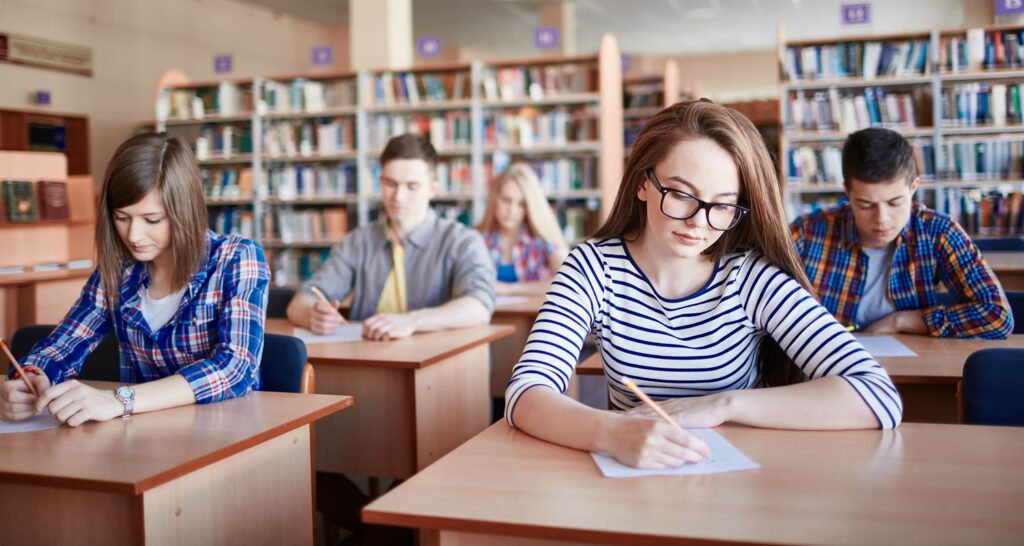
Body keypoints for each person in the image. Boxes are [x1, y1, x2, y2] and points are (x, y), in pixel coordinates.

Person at [505, 100, 903, 470]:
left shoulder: (751, 278)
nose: (699, 221)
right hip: (632, 476)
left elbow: (877, 396)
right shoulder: (592, 268)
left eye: (723, 204)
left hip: (735, 481)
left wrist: (722, 405)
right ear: (644, 184)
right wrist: (612, 432)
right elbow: (526, 392)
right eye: (681, 194)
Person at [0, 133, 270, 425]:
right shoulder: (118, 268)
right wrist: (31, 377)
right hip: (140, 435)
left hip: (225, 432)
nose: (134, 236)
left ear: (185, 211)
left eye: (151, 219)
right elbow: (67, 342)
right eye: (122, 217)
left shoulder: (238, 257)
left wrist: (119, 400)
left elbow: (235, 368)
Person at [790, 127, 1013, 339]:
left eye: (895, 202)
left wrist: (900, 321)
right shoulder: (807, 232)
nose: (882, 218)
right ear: (847, 192)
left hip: (909, 369)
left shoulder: (938, 232)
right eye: (866, 205)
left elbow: (997, 316)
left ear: (913, 187)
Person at [286, 133, 495, 340]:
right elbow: (300, 302)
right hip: (369, 359)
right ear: (380, 181)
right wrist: (313, 315)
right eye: (390, 184)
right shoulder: (358, 241)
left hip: (437, 363)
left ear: (432, 189)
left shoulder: (463, 241)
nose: (398, 196)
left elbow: (479, 306)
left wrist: (412, 321)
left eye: (411, 186)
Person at [477, 163, 569, 294]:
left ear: (530, 207)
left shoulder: (542, 240)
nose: (512, 210)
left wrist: (509, 289)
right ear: (494, 199)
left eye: (521, 204)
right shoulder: (477, 240)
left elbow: (567, 281)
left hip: (533, 314)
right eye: (506, 200)